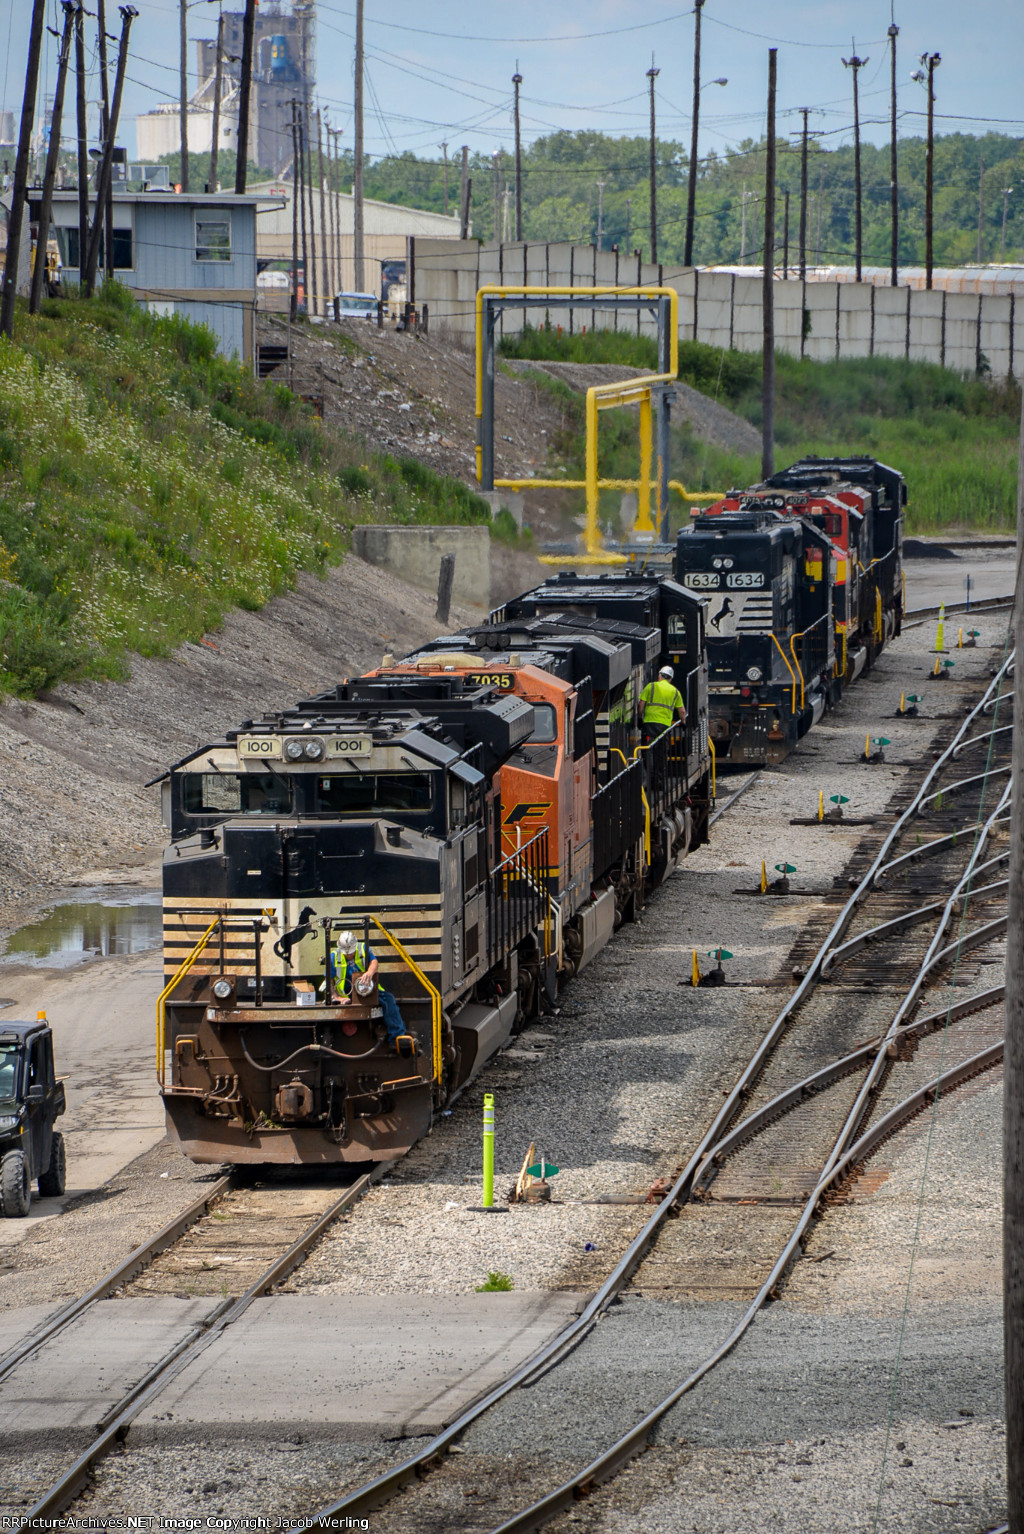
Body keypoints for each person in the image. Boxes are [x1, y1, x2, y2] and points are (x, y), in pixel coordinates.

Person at [330, 929, 407, 1045]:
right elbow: (328, 981)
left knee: (388, 999)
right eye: (346, 953)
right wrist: (337, 998)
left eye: (350, 952)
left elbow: (374, 962)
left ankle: (397, 1037)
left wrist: (369, 973)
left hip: (367, 989)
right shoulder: (334, 956)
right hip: (347, 993)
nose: (349, 955)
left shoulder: (362, 949)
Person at [638, 665, 686, 745]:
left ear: (659, 675)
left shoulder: (651, 686)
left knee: (647, 748)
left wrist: (639, 718)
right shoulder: (675, 692)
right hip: (665, 725)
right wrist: (683, 723)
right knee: (662, 749)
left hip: (649, 723)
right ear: (670, 679)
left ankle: (647, 757)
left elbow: (641, 704)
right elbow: (682, 711)